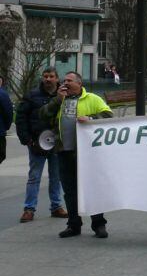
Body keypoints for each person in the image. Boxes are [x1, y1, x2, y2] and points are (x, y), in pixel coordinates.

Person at [40, 72, 113, 239]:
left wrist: (91, 118)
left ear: (79, 84)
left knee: (92, 188)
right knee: (70, 190)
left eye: (69, 81)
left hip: (88, 153)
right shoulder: (60, 99)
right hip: (64, 150)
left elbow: (109, 116)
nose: (65, 83)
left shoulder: (92, 98)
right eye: (64, 80)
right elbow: (43, 115)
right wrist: (57, 100)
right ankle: (74, 225)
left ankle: (99, 224)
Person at [15, 67, 65, 223]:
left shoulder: (65, 95)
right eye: (45, 76)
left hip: (57, 142)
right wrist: (27, 139)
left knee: (56, 177)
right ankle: (29, 209)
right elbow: (21, 118)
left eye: (51, 76)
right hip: (37, 142)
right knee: (34, 177)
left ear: (57, 79)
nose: (48, 79)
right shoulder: (31, 95)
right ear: (42, 78)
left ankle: (56, 206)